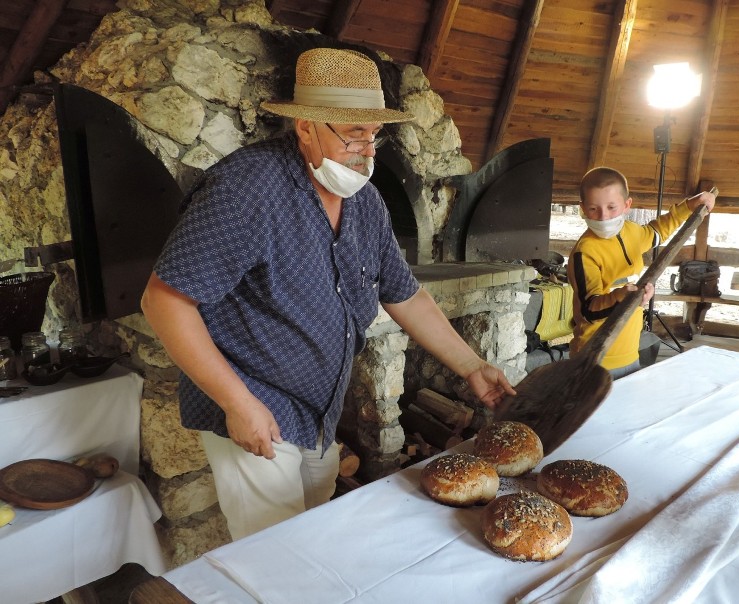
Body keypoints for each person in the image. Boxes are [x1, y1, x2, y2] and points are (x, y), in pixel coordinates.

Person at [140, 47, 516, 540]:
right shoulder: (248, 189)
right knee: (274, 553)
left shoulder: (366, 200)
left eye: (374, 132)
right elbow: (163, 301)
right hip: (255, 398)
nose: (367, 148)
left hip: (319, 407)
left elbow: (405, 295)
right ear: (305, 127)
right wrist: (237, 403)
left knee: (314, 530)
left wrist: (471, 365)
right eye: (352, 132)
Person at [566, 166, 716, 379]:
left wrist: (690, 205)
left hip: (629, 354)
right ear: (582, 208)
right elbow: (590, 309)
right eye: (593, 209)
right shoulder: (585, 252)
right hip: (595, 360)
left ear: (627, 205)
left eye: (611, 207)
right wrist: (621, 297)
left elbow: (658, 230)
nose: (603, 217)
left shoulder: (632, 233)